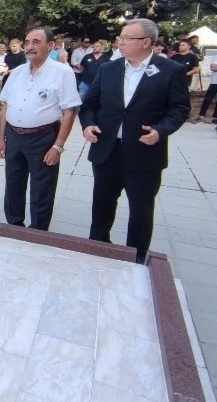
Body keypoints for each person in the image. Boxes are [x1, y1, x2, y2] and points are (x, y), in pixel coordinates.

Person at [80, 18, 190, 264]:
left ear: (146, 42)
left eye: (127, 38)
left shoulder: (170, 70)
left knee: (141, 209)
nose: (120, 42)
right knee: (102, 205)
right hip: (108, 150)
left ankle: (136, 257)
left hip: (144, 152)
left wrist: (161, 130)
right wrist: (88, 125)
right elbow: (89, 105)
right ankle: (97, 248)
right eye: (121, 37)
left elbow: (180, 109)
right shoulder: (108, 68)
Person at [0, 27, 82, 230]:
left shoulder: (62, 72)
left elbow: (69, 112)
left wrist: (58, 146)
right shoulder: (17, 72)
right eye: (27, 42)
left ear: (50, 45)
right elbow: (5, 106)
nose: (29, 46)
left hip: (43, 138)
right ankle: (14, 226)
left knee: (42, 189)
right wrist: (1, 139)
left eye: (36, 42)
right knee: (13, 184)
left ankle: (38, 232)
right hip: (14, 136)